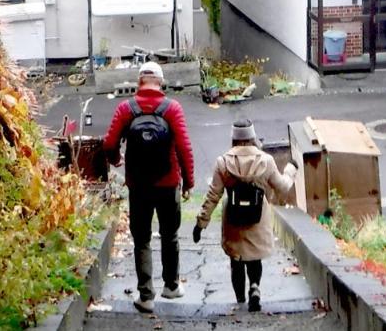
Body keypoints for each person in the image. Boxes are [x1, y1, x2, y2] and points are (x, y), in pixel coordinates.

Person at [103, 61, 195, 313]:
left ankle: (146, 295)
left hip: (138, 185)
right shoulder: (172, 108)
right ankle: (171, 286)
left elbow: (109, 143)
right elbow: (184, 149)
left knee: (141, 239)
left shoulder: (126, 108)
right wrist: (188, 182)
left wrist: (116, 160)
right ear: (161, 81)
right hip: (168, 184)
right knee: (170, 235)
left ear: (139, 82)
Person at [192, 118, 297, 313]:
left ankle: (240, 299)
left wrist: (201, 223)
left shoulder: (223, 162)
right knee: (254, 258)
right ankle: (255, 286)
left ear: (233, 138)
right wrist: (291, 171)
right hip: (258, 217)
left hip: (233, 219)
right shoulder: (266, 161)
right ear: (252, 137)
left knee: (236, 259)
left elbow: (213, 195)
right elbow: (282, 187)